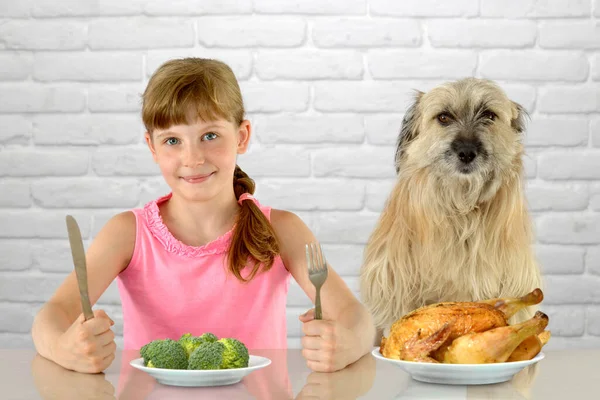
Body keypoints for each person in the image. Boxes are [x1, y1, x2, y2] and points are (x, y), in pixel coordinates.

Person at [31, 57, 376, 374]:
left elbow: (355, 316)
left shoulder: (282, 229)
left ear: (242, 136)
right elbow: (54, 313)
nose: (192, 158)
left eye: (209, 135)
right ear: (151, 146)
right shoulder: (128, 232)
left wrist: (349, 344)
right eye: (172, 141)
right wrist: (64, 348)